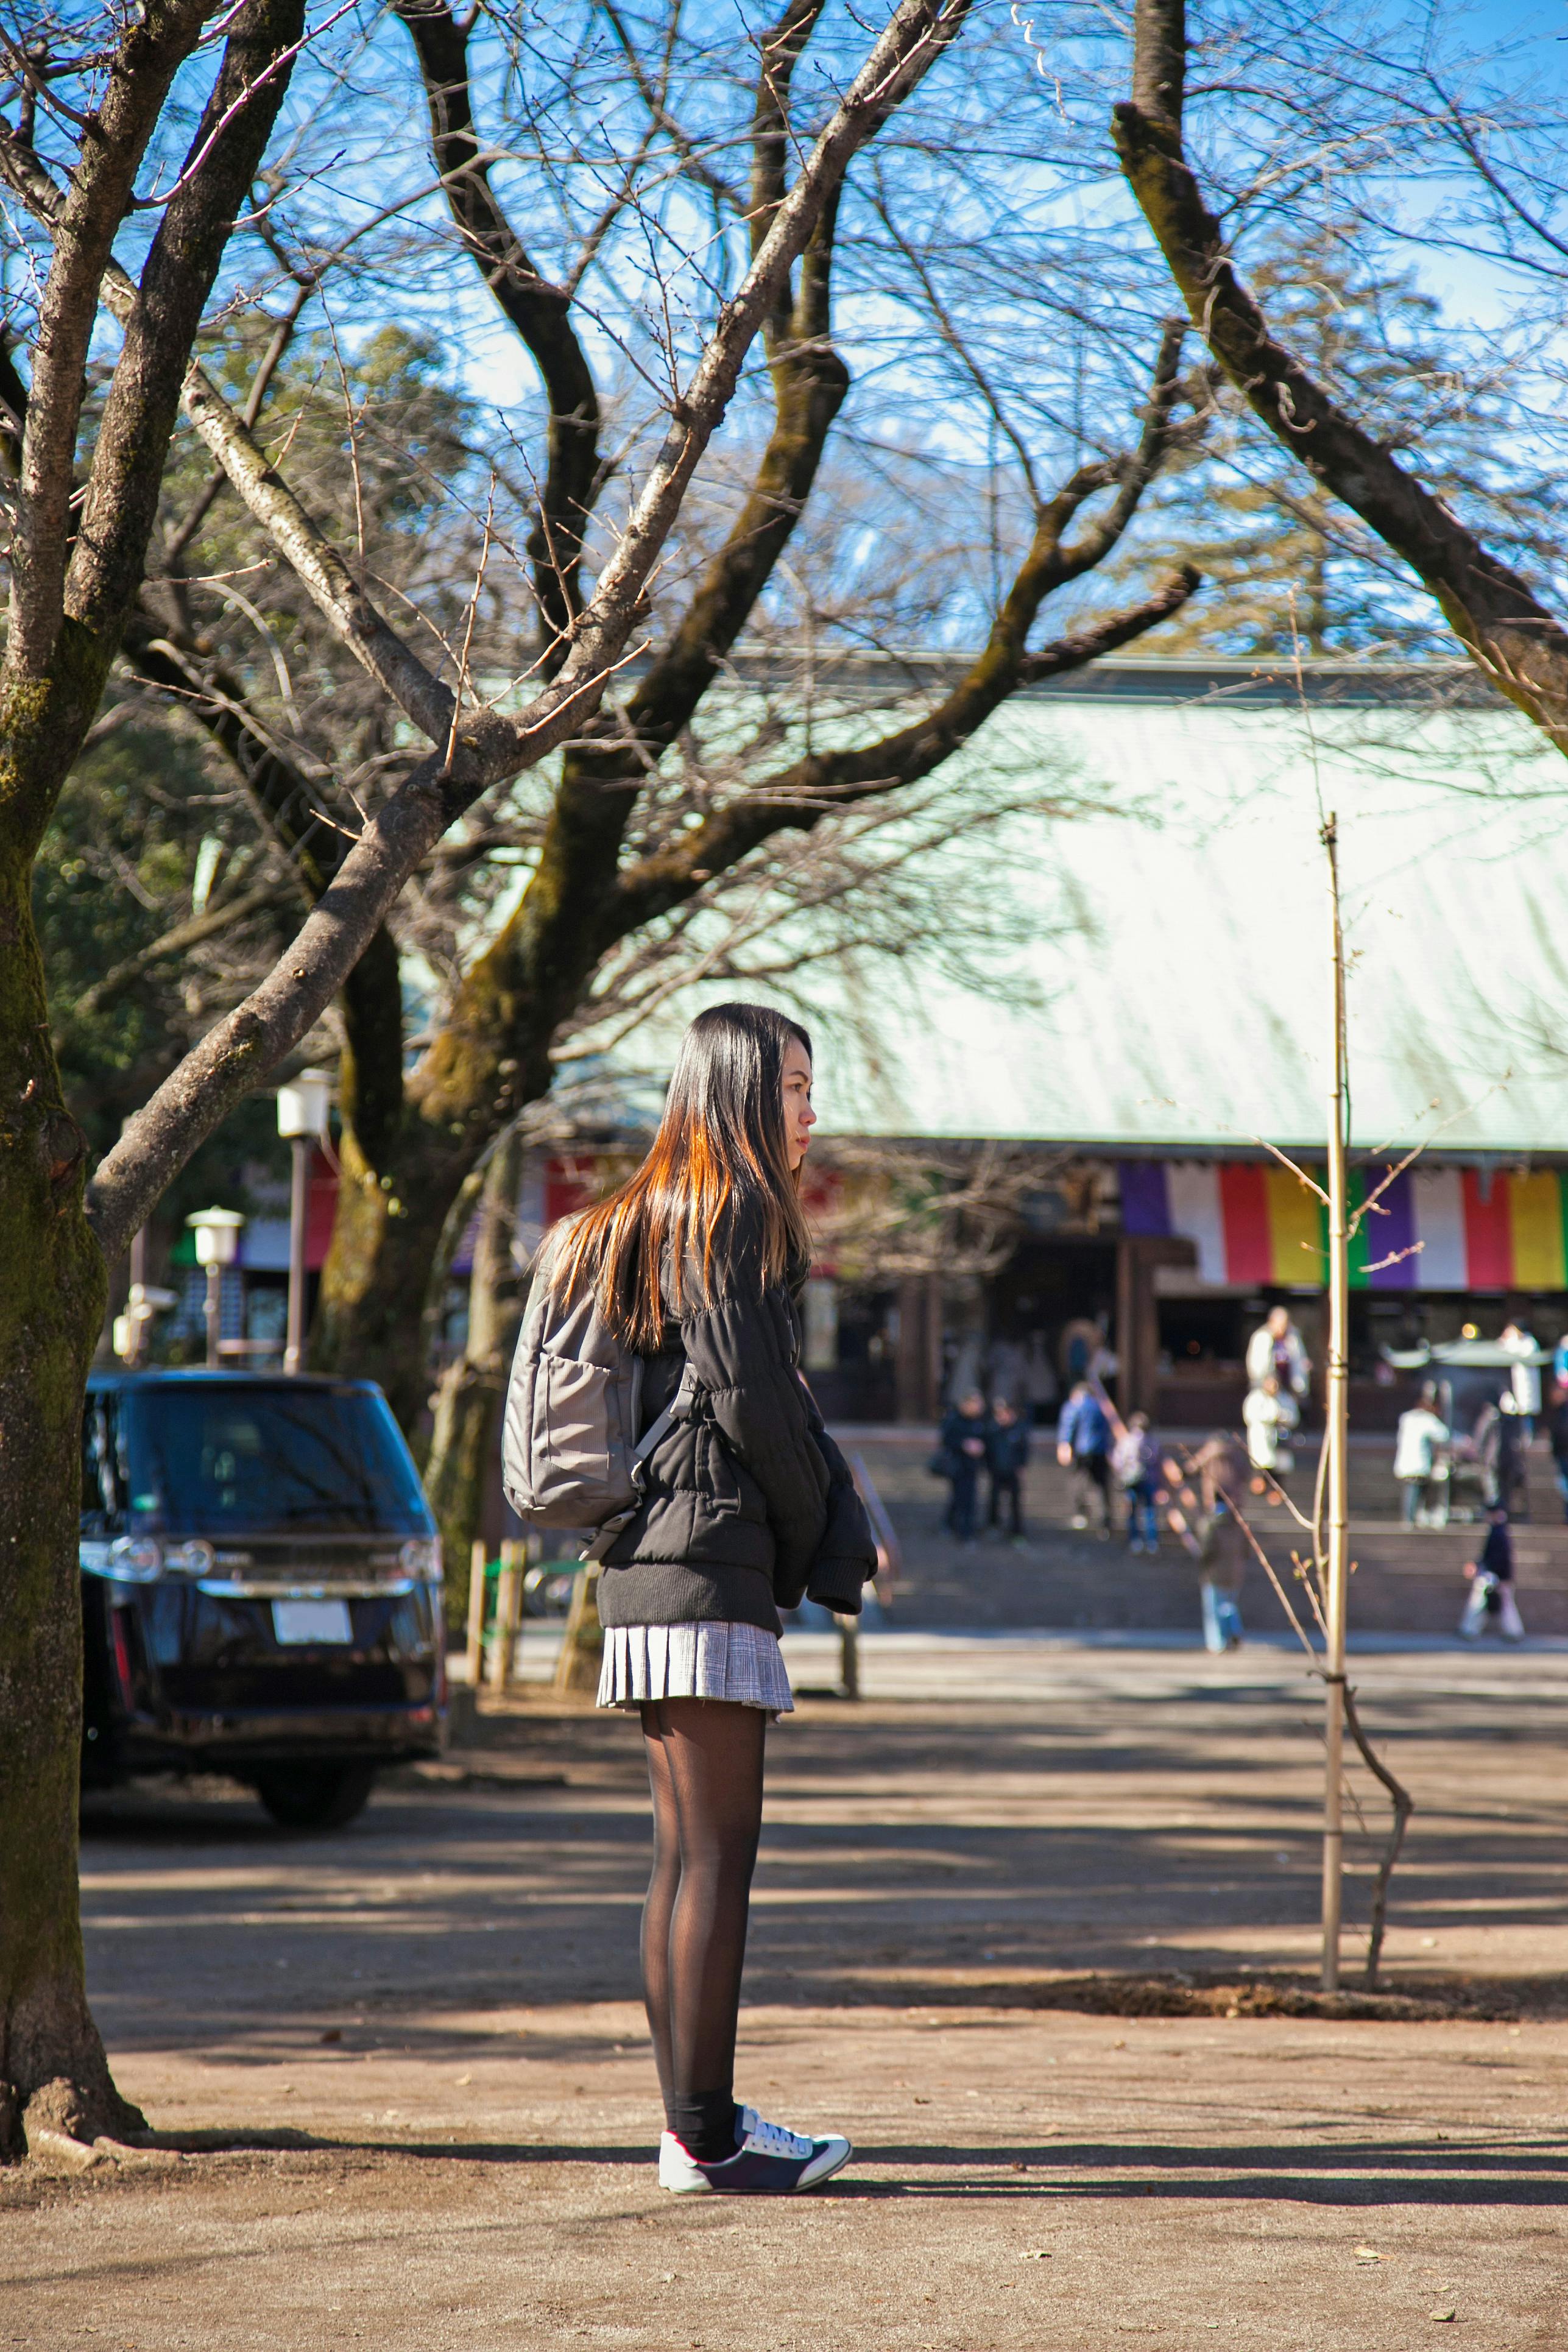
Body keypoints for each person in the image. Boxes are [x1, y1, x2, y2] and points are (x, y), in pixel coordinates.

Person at [542, 1003, 873, 2194]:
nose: (809, 1107)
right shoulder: (725, 1219)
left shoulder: (647, 1218)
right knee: (716, 1857)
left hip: (651, 1562)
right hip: (703, 1562)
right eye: (791, 1081)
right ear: (736, 1088)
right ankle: (707, 2138)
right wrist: (825, 1534)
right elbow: (756, 1406)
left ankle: (695, 2122)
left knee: (686, 1857)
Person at [1174, 1430, 1251, 1651]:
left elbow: (1191, 1468)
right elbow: (1248, 1474)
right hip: (1235, 1564)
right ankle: (1234, 1631)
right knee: (1228, 1602)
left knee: (1214, 1602)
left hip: (1215, 1568)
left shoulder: (1210, 1452)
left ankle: (1218, 1642)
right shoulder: (1237, 1456)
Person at [1459, 1505, 1525, 1641]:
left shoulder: (1499, 1532)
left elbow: (1499, 1558)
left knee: (1480, 1602)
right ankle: (1513, 1631)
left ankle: (1470, 1629)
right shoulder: (1499, 1531)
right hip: (1496, 1574)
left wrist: (1502, 1576)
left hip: (1493, 1575)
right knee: (1503, 1604)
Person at [1057, 1379, 1113, 1533]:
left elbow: (1068, 1424)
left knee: (1078, 1481)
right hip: (1100, 1450)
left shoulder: (1074, 1406)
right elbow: (1107, 1430)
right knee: (1101, 1485)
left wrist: (1064, 1444)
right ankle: (1105, 1518)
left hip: (1081, 1450)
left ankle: (1080, 1514)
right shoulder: (1101, 1407)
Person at [1393, 1382, 1450, 1528]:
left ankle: (1411, 1517)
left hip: (1405, 1462)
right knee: (1415, 1490)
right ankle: (1411, 1518)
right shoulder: (1427, 1420)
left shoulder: (1406, 1418)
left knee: (1411, 1490)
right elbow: (1444, 1435)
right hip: (1419, 1463)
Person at [939, 1390, 991, 1542]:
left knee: (967, 1499)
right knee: (960, 1498)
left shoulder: (982, 1422)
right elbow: (947, 1439)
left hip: (973, 1467)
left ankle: (960, 1527)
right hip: (958, 1466)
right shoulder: (954, 1419)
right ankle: (962, 1530)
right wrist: (964, 1445)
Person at [1113, 1410, 1162, 1553]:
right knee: (1150, 1512)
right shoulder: (1153, 1442)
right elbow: (1158, 1464)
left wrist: (1123, 1473)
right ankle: (1152, 1541)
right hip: (1150, 1480)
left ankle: (1135, 1540)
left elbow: (1118, 1461)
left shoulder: (1126, 1441)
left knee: (1132, 1512)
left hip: (1131, 1481)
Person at [986, 1396, 1031, 1541]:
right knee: (994, 1500)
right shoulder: (993, 1430)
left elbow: (1024, 1450)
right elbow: (988, 1451)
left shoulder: (1019, 1429)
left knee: (1015, 1502)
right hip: (996, 1471)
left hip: (1013, 1471)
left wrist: (1022, 1466)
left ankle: (1017, 1530)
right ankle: (993, 1525)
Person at [1245, 1305, 1312, 1401]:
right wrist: (1264, 1381)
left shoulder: (1293, 1338)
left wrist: (1300, 1388)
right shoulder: (1261, 1338)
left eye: (1285, 1325)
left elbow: (1299, 1363)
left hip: (1289, 1392)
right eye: (1280, 1325)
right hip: (1265, 1393)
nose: (1282, 1329)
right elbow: (1256, 1368)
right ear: (1271, 1322)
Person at [1243, 1374, 1299, 1477]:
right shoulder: (1256, 1398)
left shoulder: (1285, 1398)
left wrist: (1284, 1418)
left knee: (1279, 1475)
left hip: (1281, 1441)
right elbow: (1251, 1416)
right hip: (1262, 1440)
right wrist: (1272, 1417)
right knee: (1261, 1474)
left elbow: (1294, 1417)